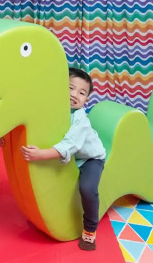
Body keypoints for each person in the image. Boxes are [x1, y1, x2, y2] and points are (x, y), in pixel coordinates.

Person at [21, 67, 106, 251]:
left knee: (87, 189)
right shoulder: (55, 109)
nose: (75, 95)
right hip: (73, 156)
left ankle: (90, 229)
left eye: (82, 93)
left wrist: (41, 154)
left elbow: (69, 144)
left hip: (90, 159)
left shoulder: (81, 120)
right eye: (70, 88)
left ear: (87, 99)